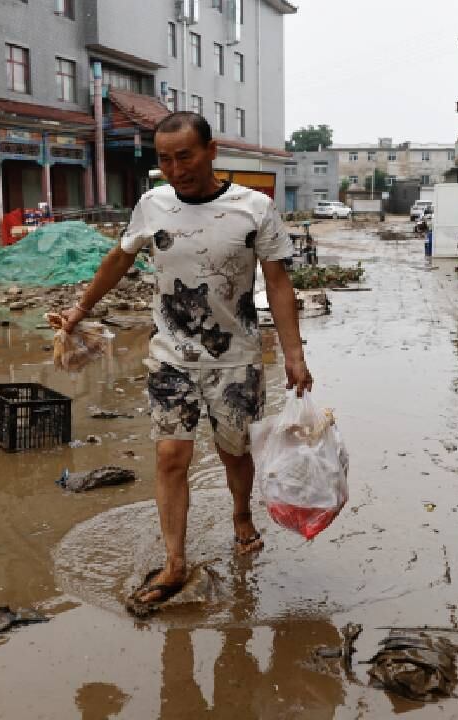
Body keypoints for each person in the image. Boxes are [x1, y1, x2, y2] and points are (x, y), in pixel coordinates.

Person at [57, 111, 313, 608]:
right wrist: (79, 310)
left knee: (234, 453)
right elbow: (119, 259)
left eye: (185, 156)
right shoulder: (152, 205)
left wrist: (294, 356)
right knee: (171, 456)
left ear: (211, 151)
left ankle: (242, 515)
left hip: (236, 358)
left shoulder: (253, 208)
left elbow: (279, 284)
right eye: (165, 160)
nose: (176, 169)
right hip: (170, 357)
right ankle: (175, 561)